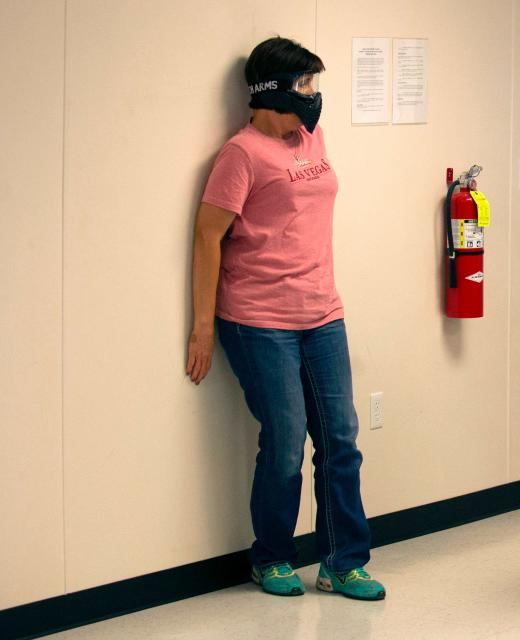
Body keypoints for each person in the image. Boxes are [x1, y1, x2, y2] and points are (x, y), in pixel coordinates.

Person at [186, 36, 385, 600]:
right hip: (258, 319)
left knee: (341, 438)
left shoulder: (311, 136)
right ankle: (270, 557)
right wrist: (204, 325)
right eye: (305, 86)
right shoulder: (241, 154)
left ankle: (342, 562)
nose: (314, 97)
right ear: (270, 90)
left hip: (322, 311)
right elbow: (207, 236)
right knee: (284, 440)